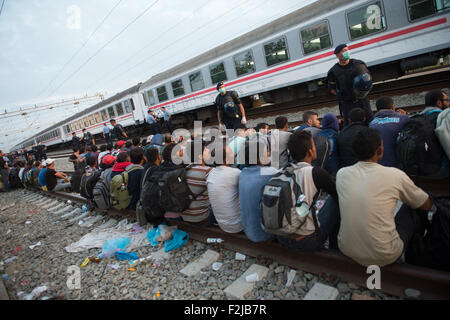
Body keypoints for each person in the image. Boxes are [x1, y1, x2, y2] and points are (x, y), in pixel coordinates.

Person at [336, 127, 432, 267]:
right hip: (385, 255)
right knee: (413, 207)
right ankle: (417, 254)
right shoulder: (394, 175)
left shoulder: (341, 174)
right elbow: (426, 204)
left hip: (346, 248)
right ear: (379, 150)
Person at [276, 131, 340, 252]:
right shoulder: (315, 172)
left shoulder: (282, 172)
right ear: (310, 151)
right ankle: (334, 246)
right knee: (335, 200)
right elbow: (338, 195)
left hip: (281, 238)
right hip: (306, 242)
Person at [239, 140, 278, 242]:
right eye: (266, 152)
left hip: (248, 230)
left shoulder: (243, 173)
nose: (269, 153)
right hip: (265, 234)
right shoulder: (271, 172)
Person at [327, 44, 374, 126]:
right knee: (350, 125)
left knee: (369, 122)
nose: (347, 52)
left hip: (362, 100)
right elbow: (332, 88)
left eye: (347, 50)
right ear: (337, 55)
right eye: (343, 51)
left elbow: (368, 80)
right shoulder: (333, 71)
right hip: (347, 103)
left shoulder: (358, 65)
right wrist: (342, 96)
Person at [206, 140, 243, 233]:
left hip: (222, 224)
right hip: (237, 225)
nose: (234, 154)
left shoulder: (211, 173)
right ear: (225, 160)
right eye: (231, 153)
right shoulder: (236, 173)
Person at [369, 97, 409, 167]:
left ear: (377, 109)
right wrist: (404, 116)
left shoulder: (371, 124)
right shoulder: (403, 119)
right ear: (393, 107)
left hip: (379, 165)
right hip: (398, 166)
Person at [181, 140, 213, 224]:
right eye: (205, 150)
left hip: (184, 215)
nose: (209, 151)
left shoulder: (183, 170)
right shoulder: (208, 171)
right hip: (201, 217)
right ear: (200, 156)